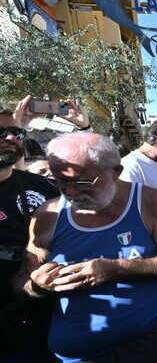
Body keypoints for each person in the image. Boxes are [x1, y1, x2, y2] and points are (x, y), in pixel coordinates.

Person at [20, 132, 157, 362]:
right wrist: (38, 286)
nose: (69, 192)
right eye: (59, 181)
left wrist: (116, 268)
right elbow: (24, 284)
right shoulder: (47, 216)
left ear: (115, 173)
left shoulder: (149, 201)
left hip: (150, 342)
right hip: (78, 351)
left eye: (82, 182)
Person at [0, 105, 60, 361]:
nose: (12, 138)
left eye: (16, 132)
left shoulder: (38, 186)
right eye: (1, 133)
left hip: (51, 319)